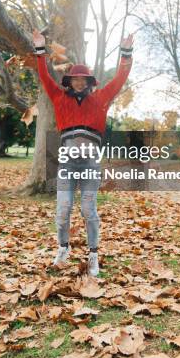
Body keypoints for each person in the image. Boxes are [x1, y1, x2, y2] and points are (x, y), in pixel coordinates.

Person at [32, 29, 133, 276]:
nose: (79, 82)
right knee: (62, 210)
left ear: (89, 82)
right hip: (66, 165)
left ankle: (94, 255)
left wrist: (126, 53)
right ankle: (63, 249)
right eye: (75, 79)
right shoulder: (59, 99)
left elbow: (120, 79)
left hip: (89, 166)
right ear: (69, 81)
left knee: (89, 210)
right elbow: (44, 76)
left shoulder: (100, 99)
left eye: (83, 79)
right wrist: (39, 49)